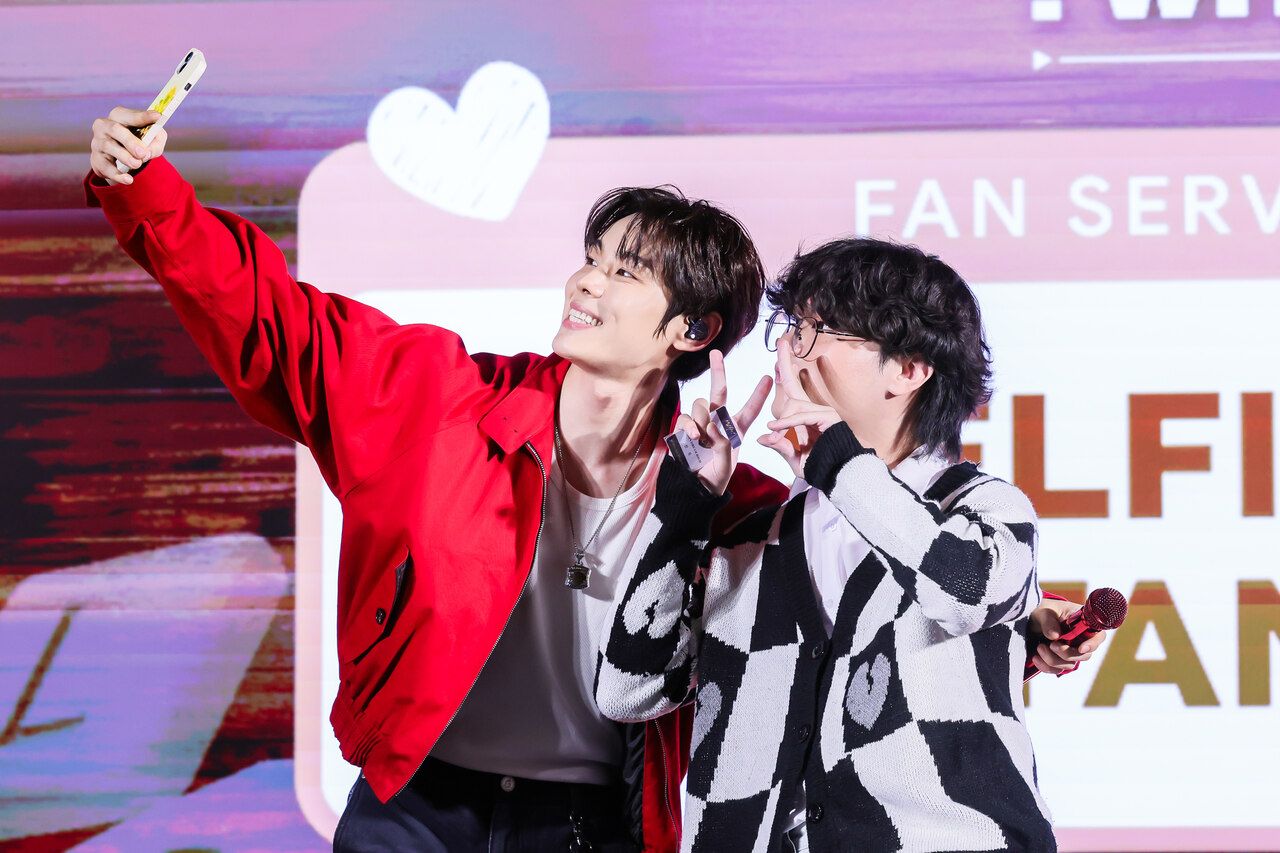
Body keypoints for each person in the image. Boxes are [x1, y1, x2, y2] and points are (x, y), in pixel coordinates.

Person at [87, 110, 1095, 852]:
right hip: (414, 806)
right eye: (591, 258)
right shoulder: (431, 398)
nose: (583, 281)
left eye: (623, 272)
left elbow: (860, 613)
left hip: (591, 823)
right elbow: (272, 318)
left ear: (690, 331)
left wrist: (1014, 627)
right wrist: (149, 195)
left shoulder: (737, 505)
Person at [596, 238, 1059, 851]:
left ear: (908, 370)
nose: (789, 352)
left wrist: (840, 463)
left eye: (816, 332)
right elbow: (629, 689)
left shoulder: (983, 508)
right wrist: (685, 507)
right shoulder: (750, 540)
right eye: (791, 329)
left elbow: (966, 592)